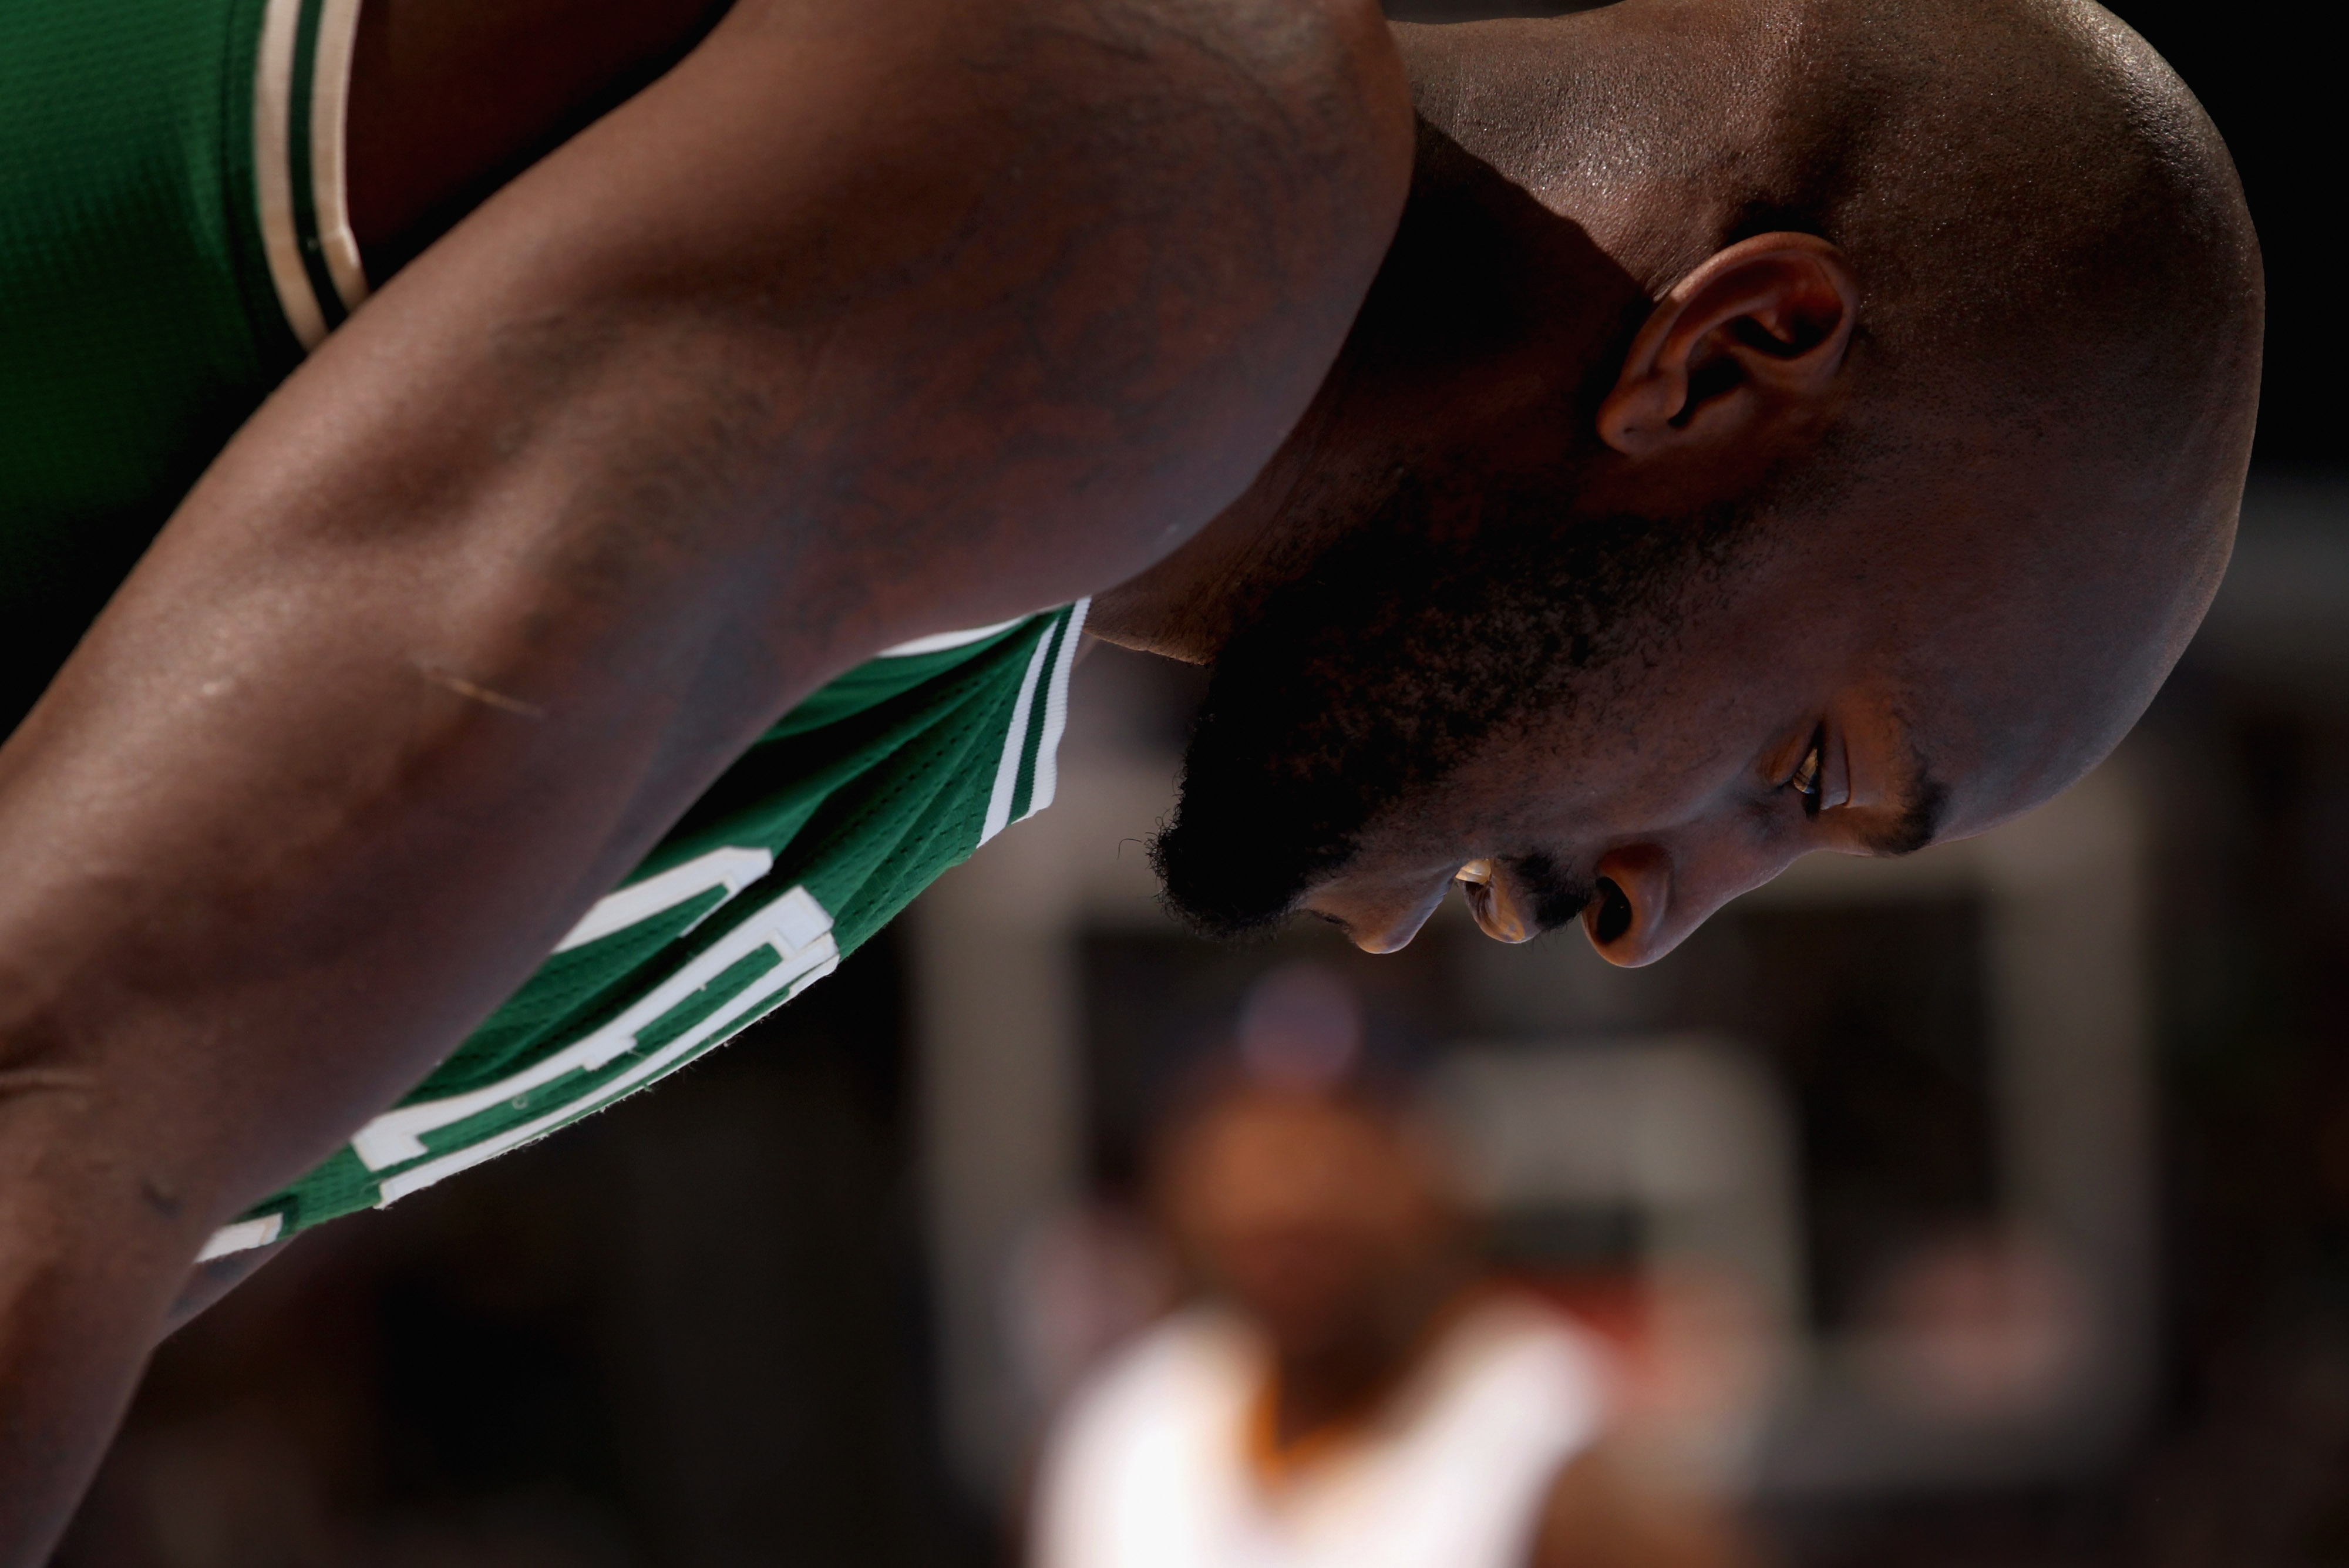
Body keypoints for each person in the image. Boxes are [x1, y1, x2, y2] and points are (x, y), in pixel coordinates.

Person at [0, 0, 2257, 1551]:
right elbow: (43, 1091)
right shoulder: (1164, 113)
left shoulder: (927, 770)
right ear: (1727, 356)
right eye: (1805, 762)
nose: (1660, 908)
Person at [1031, 1008, 1748, 1568]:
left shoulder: (1549, 1434)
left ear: (1441, 1177)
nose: (1287, 1198)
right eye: (1251, 1148)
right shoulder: (1129, 1428)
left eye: (1336, 1145)